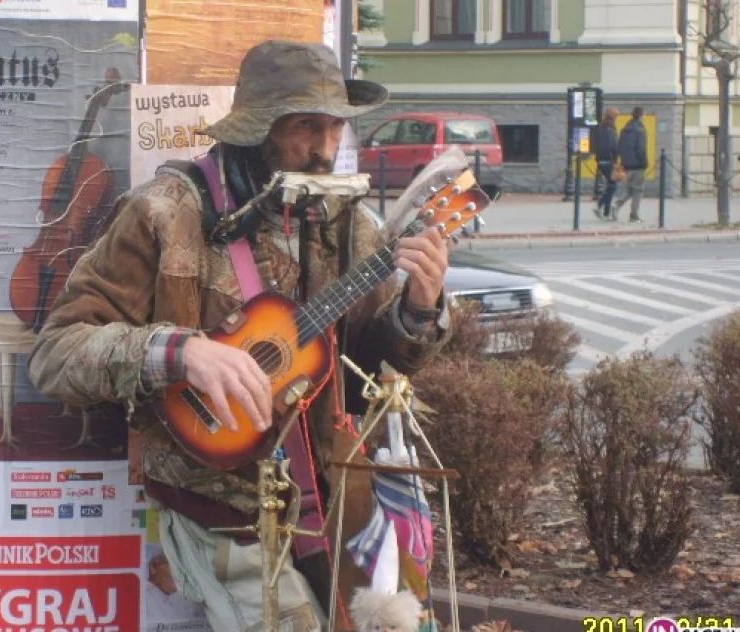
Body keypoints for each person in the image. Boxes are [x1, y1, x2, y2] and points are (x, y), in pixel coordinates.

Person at [28, 39, 452, 632]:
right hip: (217, 508)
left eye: (336, 127)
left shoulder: (346, 222)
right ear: (258, 129)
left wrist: (417, 310)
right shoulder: (165, 213)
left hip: (334, 499)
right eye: (307, 127)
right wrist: (177, 352)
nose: (326, 149)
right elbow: (55, 353)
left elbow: (363, 374)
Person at [145, 548, 207, 625]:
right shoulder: (144, 597)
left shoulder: (182, 596)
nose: (183, 574)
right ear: (153, 567)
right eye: (176, 566)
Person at [612, 106, 648, 223]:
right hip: (637, 165)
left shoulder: (625, 129)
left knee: (629, 189)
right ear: (641, 116)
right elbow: (641, 149)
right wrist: (644, 163)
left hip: (626, 164)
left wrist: (623, 161)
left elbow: (620, 146)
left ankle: (617, 205)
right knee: (638, 190)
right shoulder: (640, 130)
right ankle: (634, 215)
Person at [592, 107, 620, 220]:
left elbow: (594, 144)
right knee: (612, 186)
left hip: (600, 160)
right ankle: (600, 206)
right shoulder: (611, 129)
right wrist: (616, 160)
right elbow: (613, 146)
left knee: (610, 185)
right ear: (613, 117)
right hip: (609, 159)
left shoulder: (599, 128)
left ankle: (606, 213)